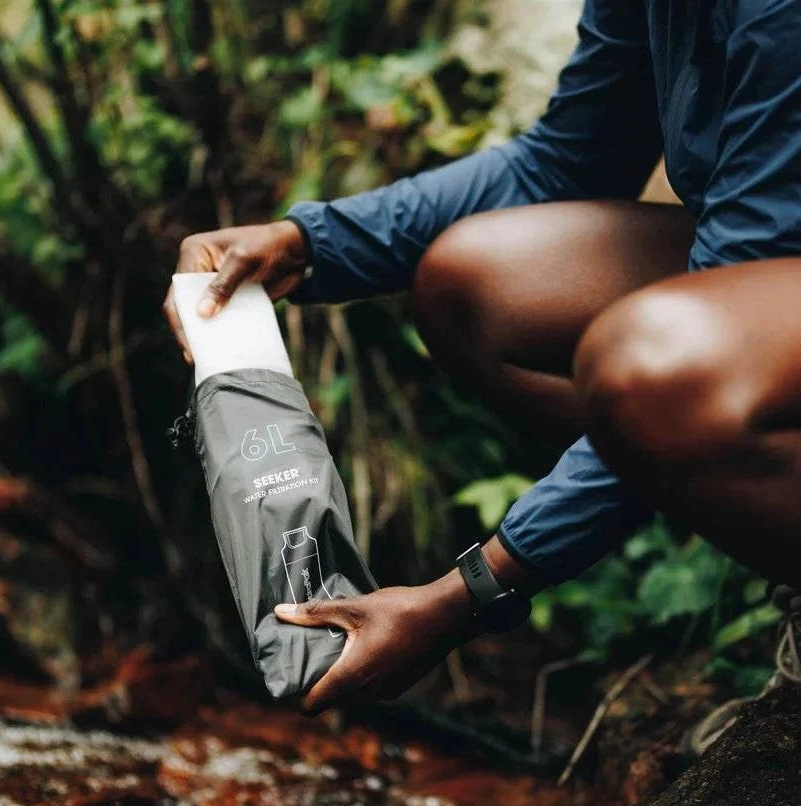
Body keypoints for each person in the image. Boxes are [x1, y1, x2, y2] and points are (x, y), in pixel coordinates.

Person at [163, 0, 801, 719]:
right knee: (476, 288)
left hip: (764, 302)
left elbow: (725, 321)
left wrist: (468, 593)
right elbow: (567, 162)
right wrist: (308, 242)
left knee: (661, 363)